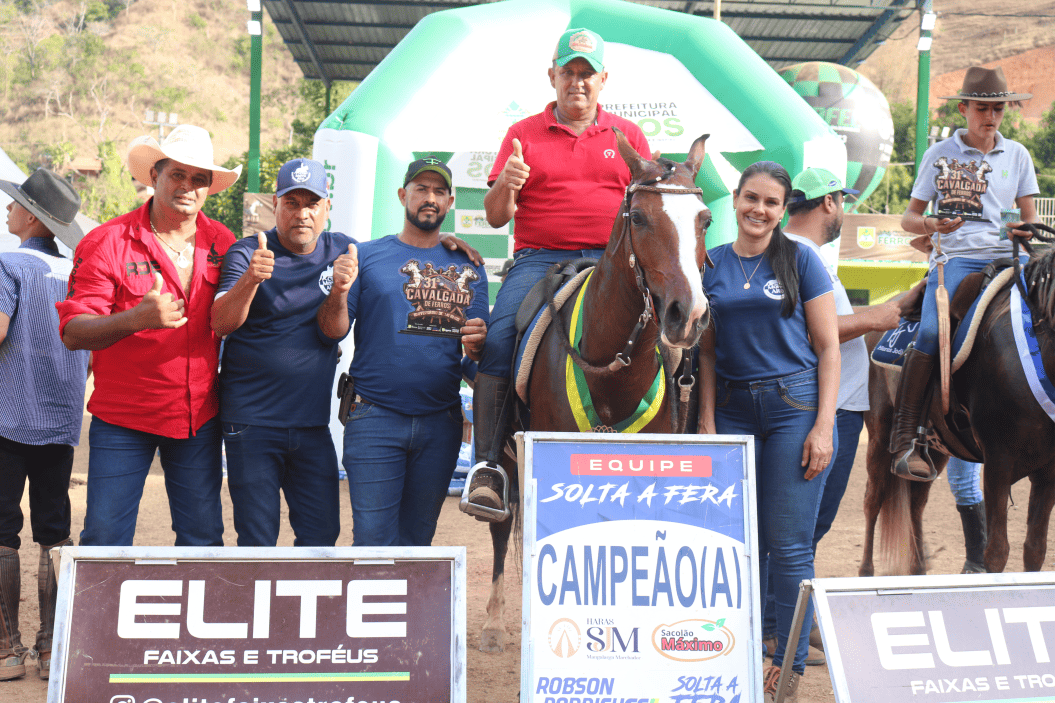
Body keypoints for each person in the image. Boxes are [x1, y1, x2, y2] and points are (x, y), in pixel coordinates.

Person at [470, 27, 651, 512]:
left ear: (603, 80)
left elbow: (648, 208)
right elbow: (496, 217)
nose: (578, 82)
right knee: (500, 337)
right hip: (541, 259)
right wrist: (507, 184)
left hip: (613, 261)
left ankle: (682, 441)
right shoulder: (522, 133)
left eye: (587, 74)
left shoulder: (628, 136)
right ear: (552, 75)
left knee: (673, 337)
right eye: (569, 72)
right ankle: (488, 465)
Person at [56, 124, 242, 547]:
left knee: (202, 541)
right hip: (124, 419)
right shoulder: (106, 241)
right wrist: (134, 319)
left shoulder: (223, 242)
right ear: (154, 175)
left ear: (208, 188)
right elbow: (72, 332)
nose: (187, 186)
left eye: (199, 178)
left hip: (197, 419)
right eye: (177, 174)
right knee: (105, 540)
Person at [697, 161, 839, 702]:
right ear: (735, 200)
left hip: (793, 407)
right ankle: (744, 654)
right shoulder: (710, 264)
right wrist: (707, 420)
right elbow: (706, 353)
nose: (759, 209)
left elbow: (828, 346)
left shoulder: (800, 259)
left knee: (788, 544)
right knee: (739, 542)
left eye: (771, 202)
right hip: (732, 408)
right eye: (751, 198)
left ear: (783, 210)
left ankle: (789, 668)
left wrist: (823, 425)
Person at [758, 167, 906, 666]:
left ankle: (788, 621)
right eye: (842, 201)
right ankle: (774, 629)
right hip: (823, 410)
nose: (843, 210)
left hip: (831, 407)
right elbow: (809, 329)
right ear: (829, 203)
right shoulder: (797, 254)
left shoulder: (801, 254)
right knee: (799, 530)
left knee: (804, 530)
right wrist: (877, 316)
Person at [318, 157, 488, 546]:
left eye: (439, 192)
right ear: (402, 195)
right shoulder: (365, 256)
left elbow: (477, 357)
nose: (430, 198)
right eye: (421, 189)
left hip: (440, 422)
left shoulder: (469, 265)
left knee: (418, 546)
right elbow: (332, 331)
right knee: (372, 543)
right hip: (374, 417)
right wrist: (339, 292)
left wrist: (479, 344)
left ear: (449, 202)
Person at [891, 66, 1039, 480]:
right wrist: (931, 225)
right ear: (963, 109)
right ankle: (907, 438)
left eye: (998, 109)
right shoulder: (939, 154)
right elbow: (908, 218)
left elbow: (1029, 217)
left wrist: (1023, 230)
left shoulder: (1019, 155)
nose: (991, 117)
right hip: (956, 259)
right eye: (982, 108)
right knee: (930, 332)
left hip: (1010, 257)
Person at [213, 158, 354, 546]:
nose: (302, 214)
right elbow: (220, 323)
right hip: (251, 423)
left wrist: (444, 242)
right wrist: (251, 280)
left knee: (322, 536)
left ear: (327, 208)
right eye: (292, 203)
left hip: (311, 425)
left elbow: (333, 332)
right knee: (257, 540)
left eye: (312, 204)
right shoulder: (248, 252)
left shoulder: (344, 250)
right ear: (275, 204)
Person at [0, 169, 88, 681]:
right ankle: (53, 644)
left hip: (8, 417)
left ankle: (7, 650)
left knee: (1, 529)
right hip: (60, 418)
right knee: (54, 529)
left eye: (14, 204)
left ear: (32, 217)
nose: (8, 210)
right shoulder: (76, 272)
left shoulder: (8, 264)